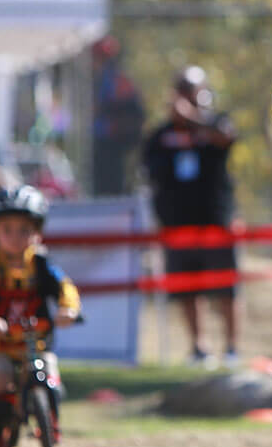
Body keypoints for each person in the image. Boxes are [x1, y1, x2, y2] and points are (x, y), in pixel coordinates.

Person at [0, 185, 81, 447]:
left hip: (35, 340)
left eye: (24, 230)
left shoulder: (42, 262)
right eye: (7, 229)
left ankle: (50, 422)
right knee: (0, 380)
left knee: (50, 374)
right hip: (0, 342)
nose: (16, 237)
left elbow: (65, 286)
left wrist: (69, 308)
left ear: (37, 231)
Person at [142, 65, 240, 367]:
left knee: (225, 288)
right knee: (187, 289)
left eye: (191, 90)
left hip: (215, 222)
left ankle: (232, 349)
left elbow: (226, 138)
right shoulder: (160, 135)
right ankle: (199, 348)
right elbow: (149, 169)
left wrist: (193, 120)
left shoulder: (214, 123)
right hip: (178, 226)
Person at [91, 35, 145, 196]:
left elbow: (133, 111)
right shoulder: (93, 78)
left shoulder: (118, 80)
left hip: (112, 141)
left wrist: (105, 110)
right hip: (97, 141)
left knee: (112, 184)